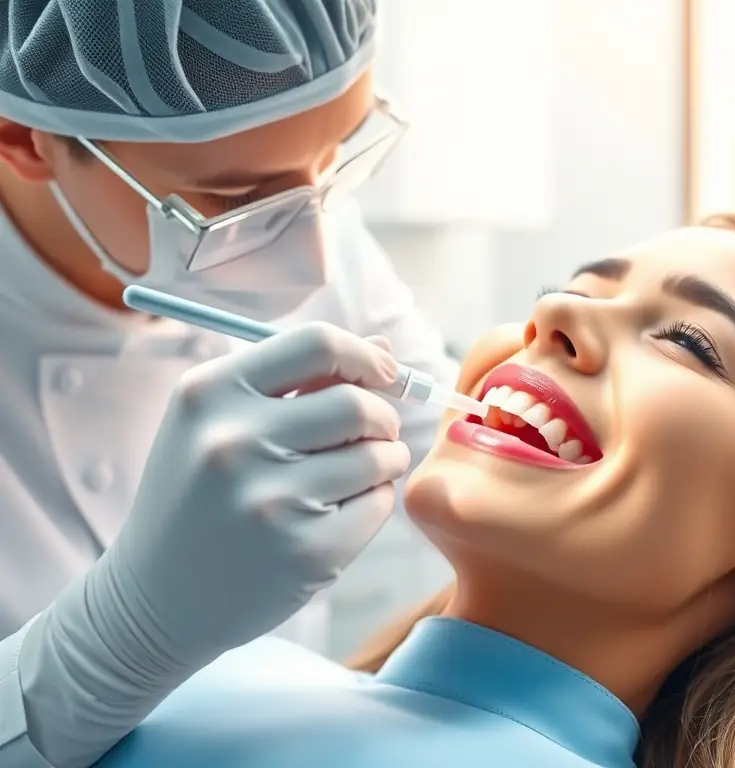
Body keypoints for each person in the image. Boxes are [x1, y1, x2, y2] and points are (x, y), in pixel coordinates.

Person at [93, 214, 735, 768]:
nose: (555, 317)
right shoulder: (207, 664)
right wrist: (116, 629)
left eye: (689, 342)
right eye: (567, 290)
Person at [0, 2, 456, 767]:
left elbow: (449, 455)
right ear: (22, 140)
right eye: (235, 205)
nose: (315, 263)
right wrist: (116, 641)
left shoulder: (314, 223)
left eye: (337, 158)